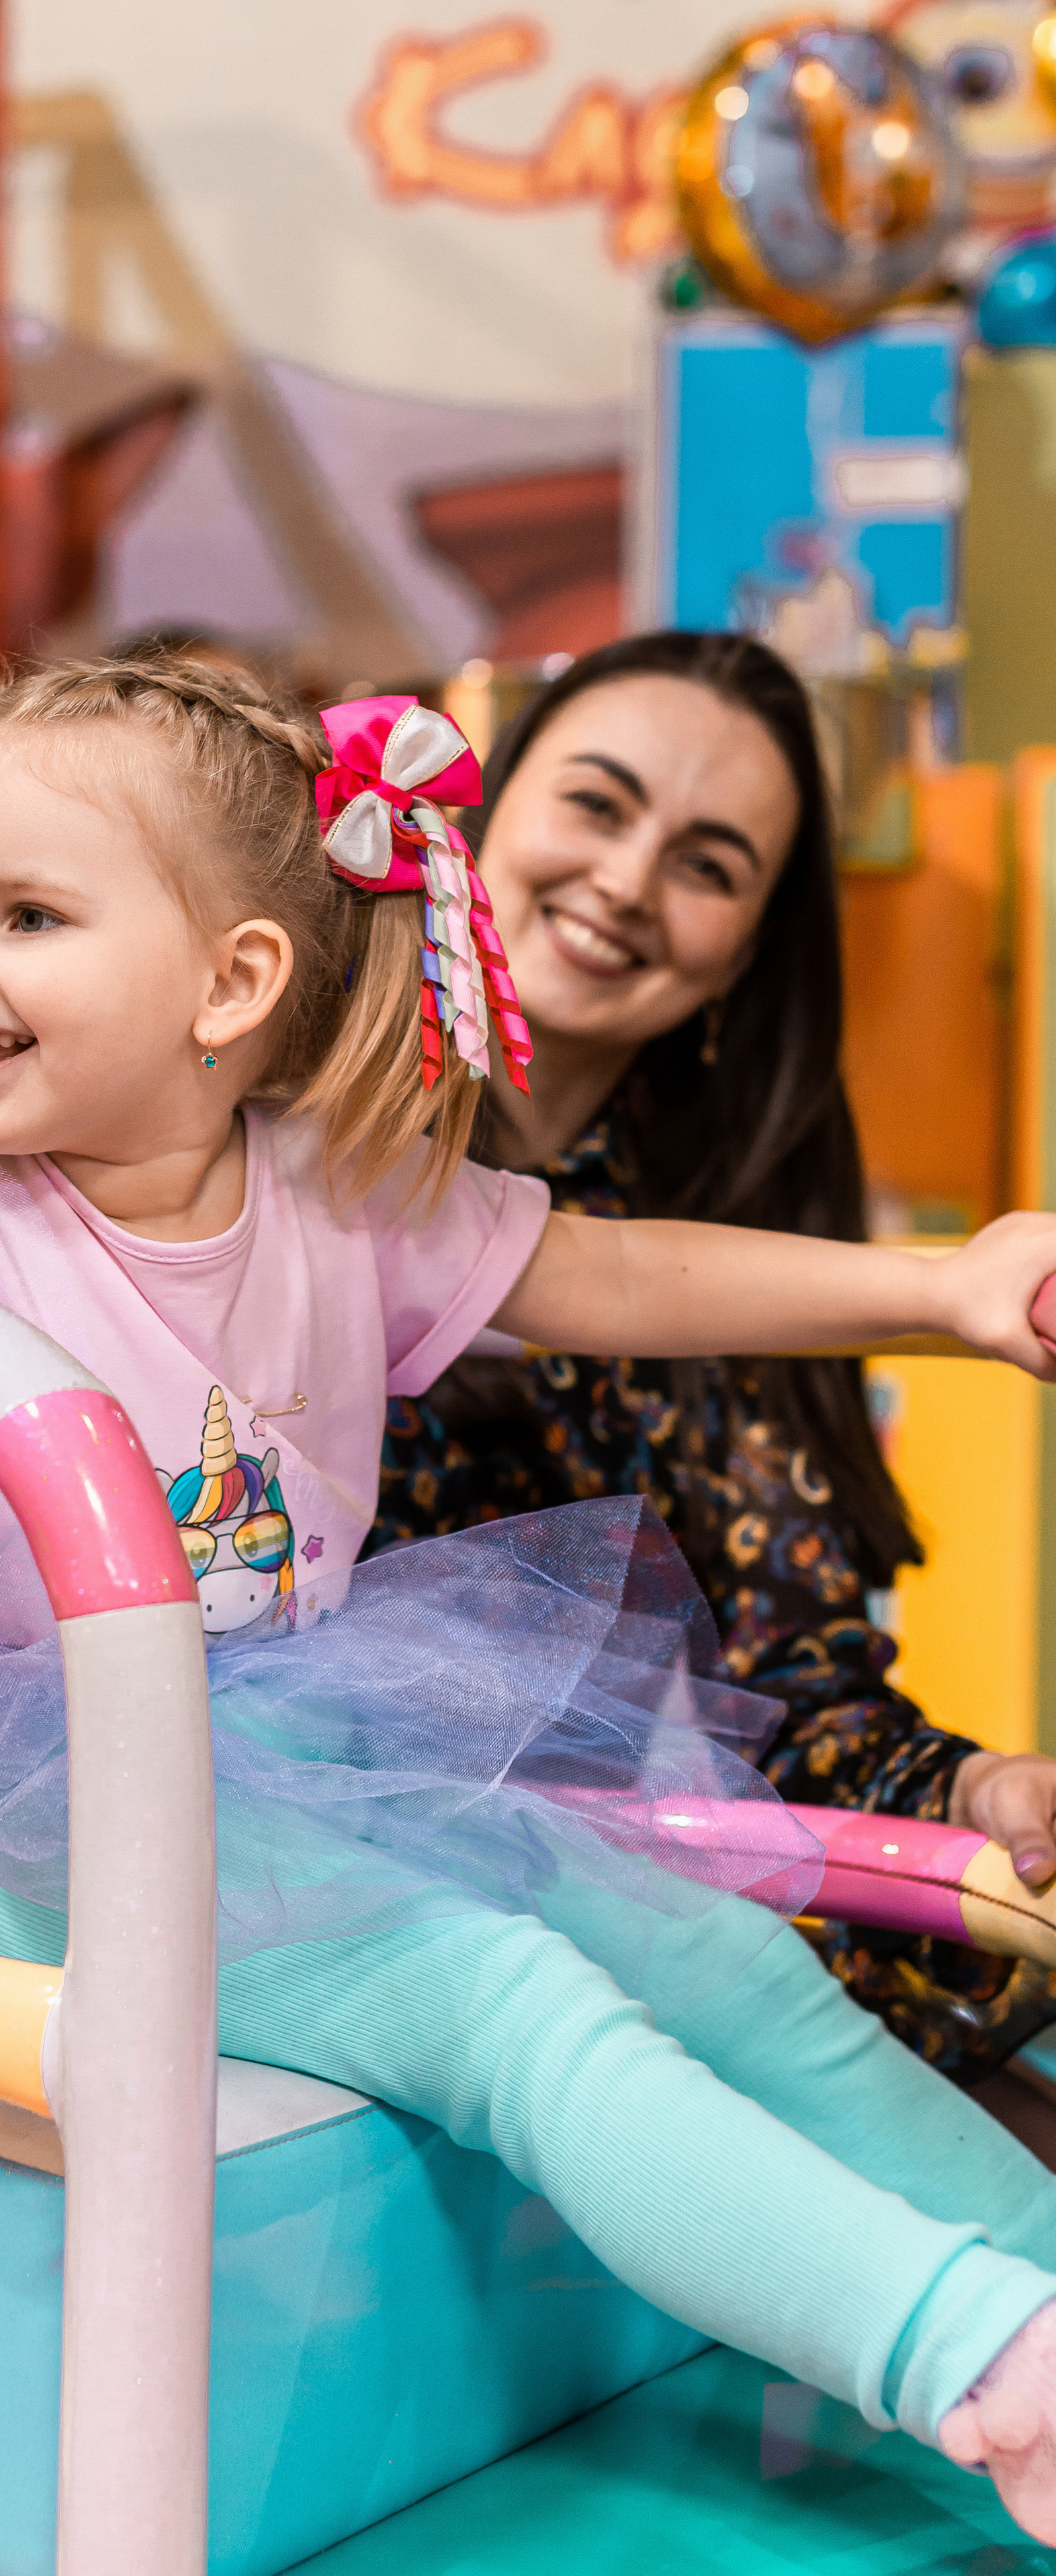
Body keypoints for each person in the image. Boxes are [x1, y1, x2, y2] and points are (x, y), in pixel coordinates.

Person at [0, 654, 1056, 2536]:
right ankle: (981, 2364)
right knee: (500, 2002)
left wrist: (957, 1292)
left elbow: (628, 1280)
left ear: (234, 984)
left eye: (27, 914)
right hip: (20, 1818)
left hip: (299, 1752)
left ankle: (1031, 2255)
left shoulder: (335, 1192)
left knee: (707, 1944)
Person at [369, 630, 1056, 2104]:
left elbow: (791, 1708)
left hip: (597, 1942)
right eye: (597, 806)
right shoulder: (297, 1114)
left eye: (706, 863)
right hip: (297, 1900)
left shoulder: (708, 1246)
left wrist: (981, 1793)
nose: (624, 882)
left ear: (746, 949)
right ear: (474, 817)